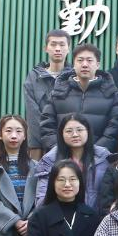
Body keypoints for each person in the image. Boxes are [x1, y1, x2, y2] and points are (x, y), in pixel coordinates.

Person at [39, 43, 118, 152]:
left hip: (99, 157)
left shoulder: (110, 93)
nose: (84, 64)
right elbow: (47, 125)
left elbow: (115, 127)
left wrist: (97, 152)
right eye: (80, 60)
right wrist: (59, 151)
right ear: (74, 64)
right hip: (63, 156)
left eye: (89, 60)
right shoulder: (58, 92)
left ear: (97, 64)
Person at [34, 114, 110, 208]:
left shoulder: (103, 157)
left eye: (79, 130)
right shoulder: (50, 159)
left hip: (96, 214)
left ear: (88, 131)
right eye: (69, 131)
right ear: (61, 133)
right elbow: (42, 198)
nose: (75, 135)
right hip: (60, 214)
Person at [22, 29, 70, 158]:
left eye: (62, 44)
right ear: (46, 48)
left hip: (68, 143)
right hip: (39, 145)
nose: (58, 49)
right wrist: (50, 141)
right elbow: (32, 115)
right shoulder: (33, 77)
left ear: (68, 49)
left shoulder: (74, 77)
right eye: (53, 44)